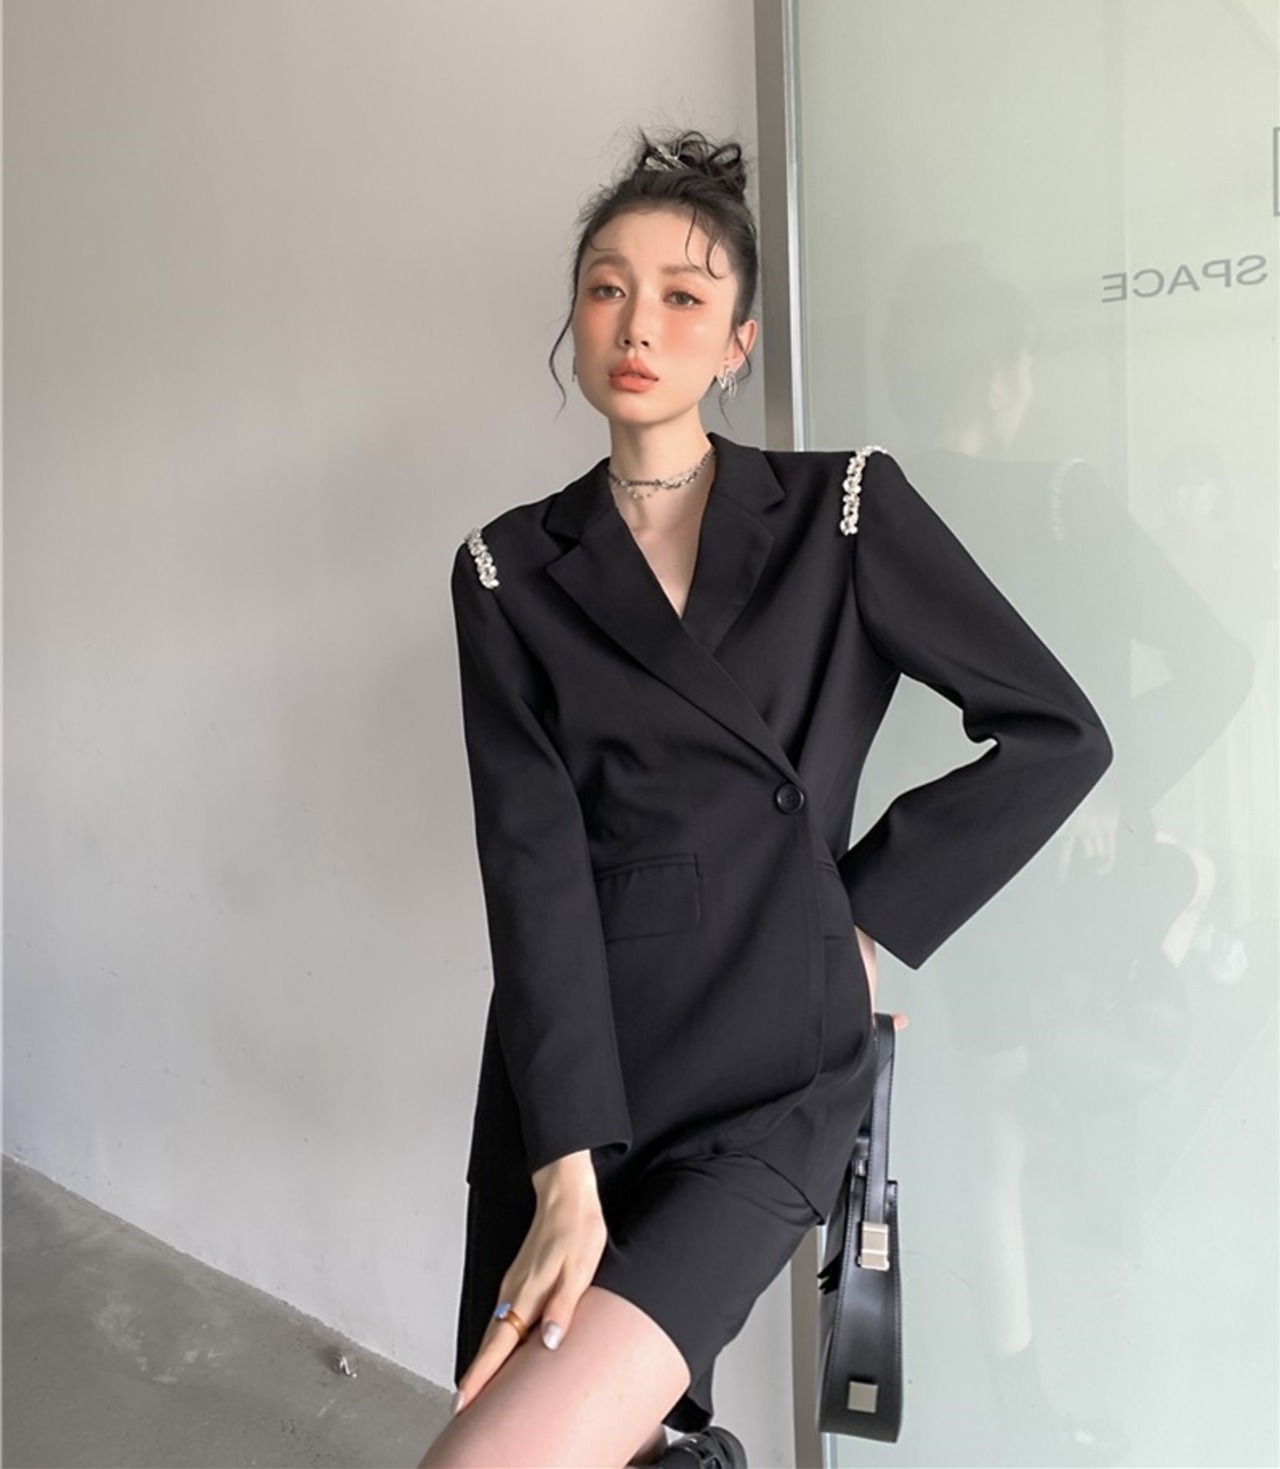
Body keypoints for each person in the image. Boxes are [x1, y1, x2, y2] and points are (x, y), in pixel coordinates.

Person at [415, 127, 1113, 1469]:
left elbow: (1057, 732)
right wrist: (564, 1168)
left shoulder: (841, 511)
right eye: (608, 287)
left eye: (683, 295)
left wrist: (858, 915)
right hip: (574, 1066)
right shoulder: (506, 568)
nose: (639, 322)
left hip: (770, 1064)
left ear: (738, 341)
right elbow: (532, 868)